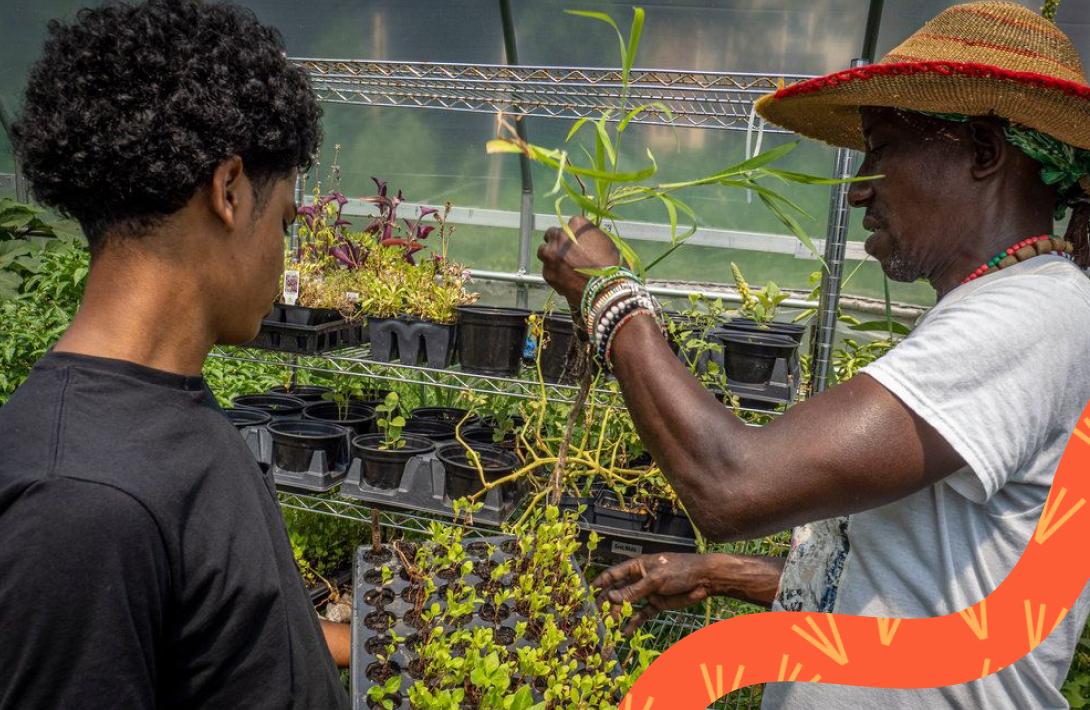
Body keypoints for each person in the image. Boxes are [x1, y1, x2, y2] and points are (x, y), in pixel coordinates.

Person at [538, 2, 1090, 707]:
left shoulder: (1026, 317)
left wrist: (610, 299)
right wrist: (725, 573)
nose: (857, 189)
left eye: (881, 148)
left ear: (983, 152)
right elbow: (918, 585)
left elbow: (733, 483)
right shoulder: (1030, 307)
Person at [0, 1, 350, 707]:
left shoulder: (164, 407)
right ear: (228, 191)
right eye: (283, 220)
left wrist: (354, 638)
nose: (286, 255)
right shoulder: (81, 501)